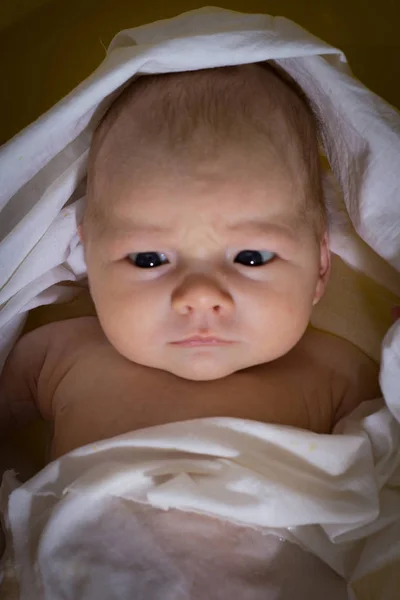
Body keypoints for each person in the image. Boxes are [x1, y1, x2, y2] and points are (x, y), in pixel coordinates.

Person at [0, 62, 380, 463]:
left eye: (251, 257)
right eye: (148, 259)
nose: (199, 297)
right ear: (88, 258)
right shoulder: (55, 357)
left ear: (320, 265)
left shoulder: (337, 376)